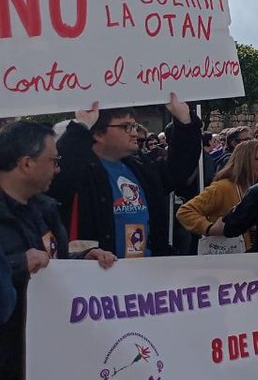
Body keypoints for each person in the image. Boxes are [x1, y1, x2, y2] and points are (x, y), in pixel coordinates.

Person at [0, 121, 117, 380]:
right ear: (26, 163)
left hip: (43, 364)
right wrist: (18, 265)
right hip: (8, 367)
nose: (58, 169)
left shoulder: (43, 210)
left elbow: (53, 265)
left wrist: (82, 263)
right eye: (53, 160)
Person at [49, 94, 200, 258]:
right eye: (126, 127)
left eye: (134, 126)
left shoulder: (140, 167)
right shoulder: (81, 172)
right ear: (98, 134)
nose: (134, 133)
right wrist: (81, 127)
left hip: (148, 267)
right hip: (102, 269)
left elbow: (179, 170)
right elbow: (58, 178)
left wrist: (185, 121)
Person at [176, 140, 258, 253]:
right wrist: (209, 228)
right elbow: (185, 211)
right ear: (245, 161)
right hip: (227, 255)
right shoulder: (222, 187)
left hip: (255, 255)